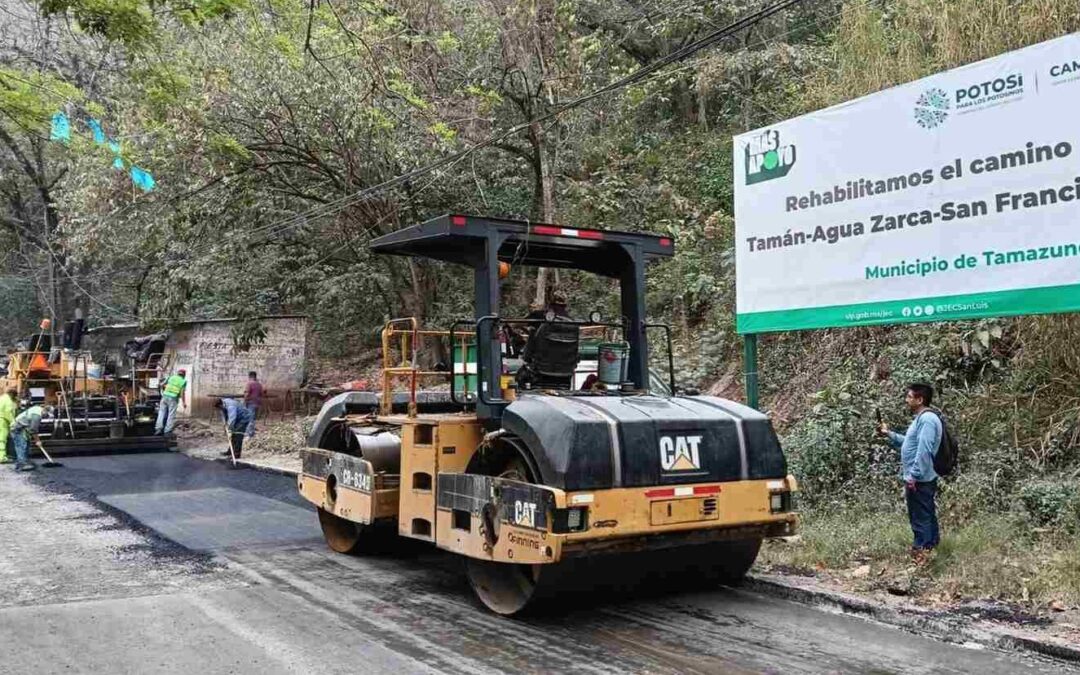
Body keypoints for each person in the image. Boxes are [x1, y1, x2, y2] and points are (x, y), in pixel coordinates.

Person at [878, 382, 943, 563]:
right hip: (919, 477)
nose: (906, 400)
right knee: (925, 512)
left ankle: (922, 552)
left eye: (909, 397)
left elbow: (924, 450)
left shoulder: (928, 420)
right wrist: (888, 434)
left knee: (920, 515)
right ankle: (930, 547)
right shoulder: (921, 418)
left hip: (921, 478)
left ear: (919, 399)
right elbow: (910, 442)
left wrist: (914, 475)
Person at [11, 403, 51, 472]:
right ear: (45, 411)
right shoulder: (37, 416)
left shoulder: (38, 409)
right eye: (46, 415)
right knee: (21, 445)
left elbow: (30, 427)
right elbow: (33, 430)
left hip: (23, 427)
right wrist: (38, 441)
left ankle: (24, 461)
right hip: (17, 428)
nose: (45, 417)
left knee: (26, 444)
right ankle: (22, 464)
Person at [215, 397, 254, 462]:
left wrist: (230, 430)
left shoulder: (231, 406)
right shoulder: (223, 404)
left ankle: (237, 454)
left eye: (219, 408)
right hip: (237, 418)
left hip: (244, 418)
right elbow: (224, 416)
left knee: (238, 434)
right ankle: (230, 451)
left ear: (221, 405)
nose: (219, 409)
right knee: (233, 435)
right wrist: (225, 426)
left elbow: (232, 418)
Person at [155, 368, 187, 436]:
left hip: (165, 396)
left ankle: (158, 428)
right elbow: (182, 393)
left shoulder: (171, 377)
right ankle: (167, 431)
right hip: (173, 398)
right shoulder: (183, 381)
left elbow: (161, 385)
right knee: (171, 414)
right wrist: (184, 403)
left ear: (178, 373)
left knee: (161, 412)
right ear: (184, 375)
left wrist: (166, 387)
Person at [243, 371, 263, 438]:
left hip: (251, 403)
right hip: (257, 403)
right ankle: (252, 433)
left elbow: (247, 393)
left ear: (250, 376)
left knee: (250, 419)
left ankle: (249, 434)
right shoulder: (259, 384)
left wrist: (245, 402)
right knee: (253, 419)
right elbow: (261, 394)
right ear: (255, 376)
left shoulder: (249, 384)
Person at [0, 389, 17, 464]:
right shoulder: (8, 401)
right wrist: (13, 422)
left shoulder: (2, 398)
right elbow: (8, 413)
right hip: (2, 421)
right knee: (2, 440)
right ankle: (2, 457)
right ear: (12, 394)